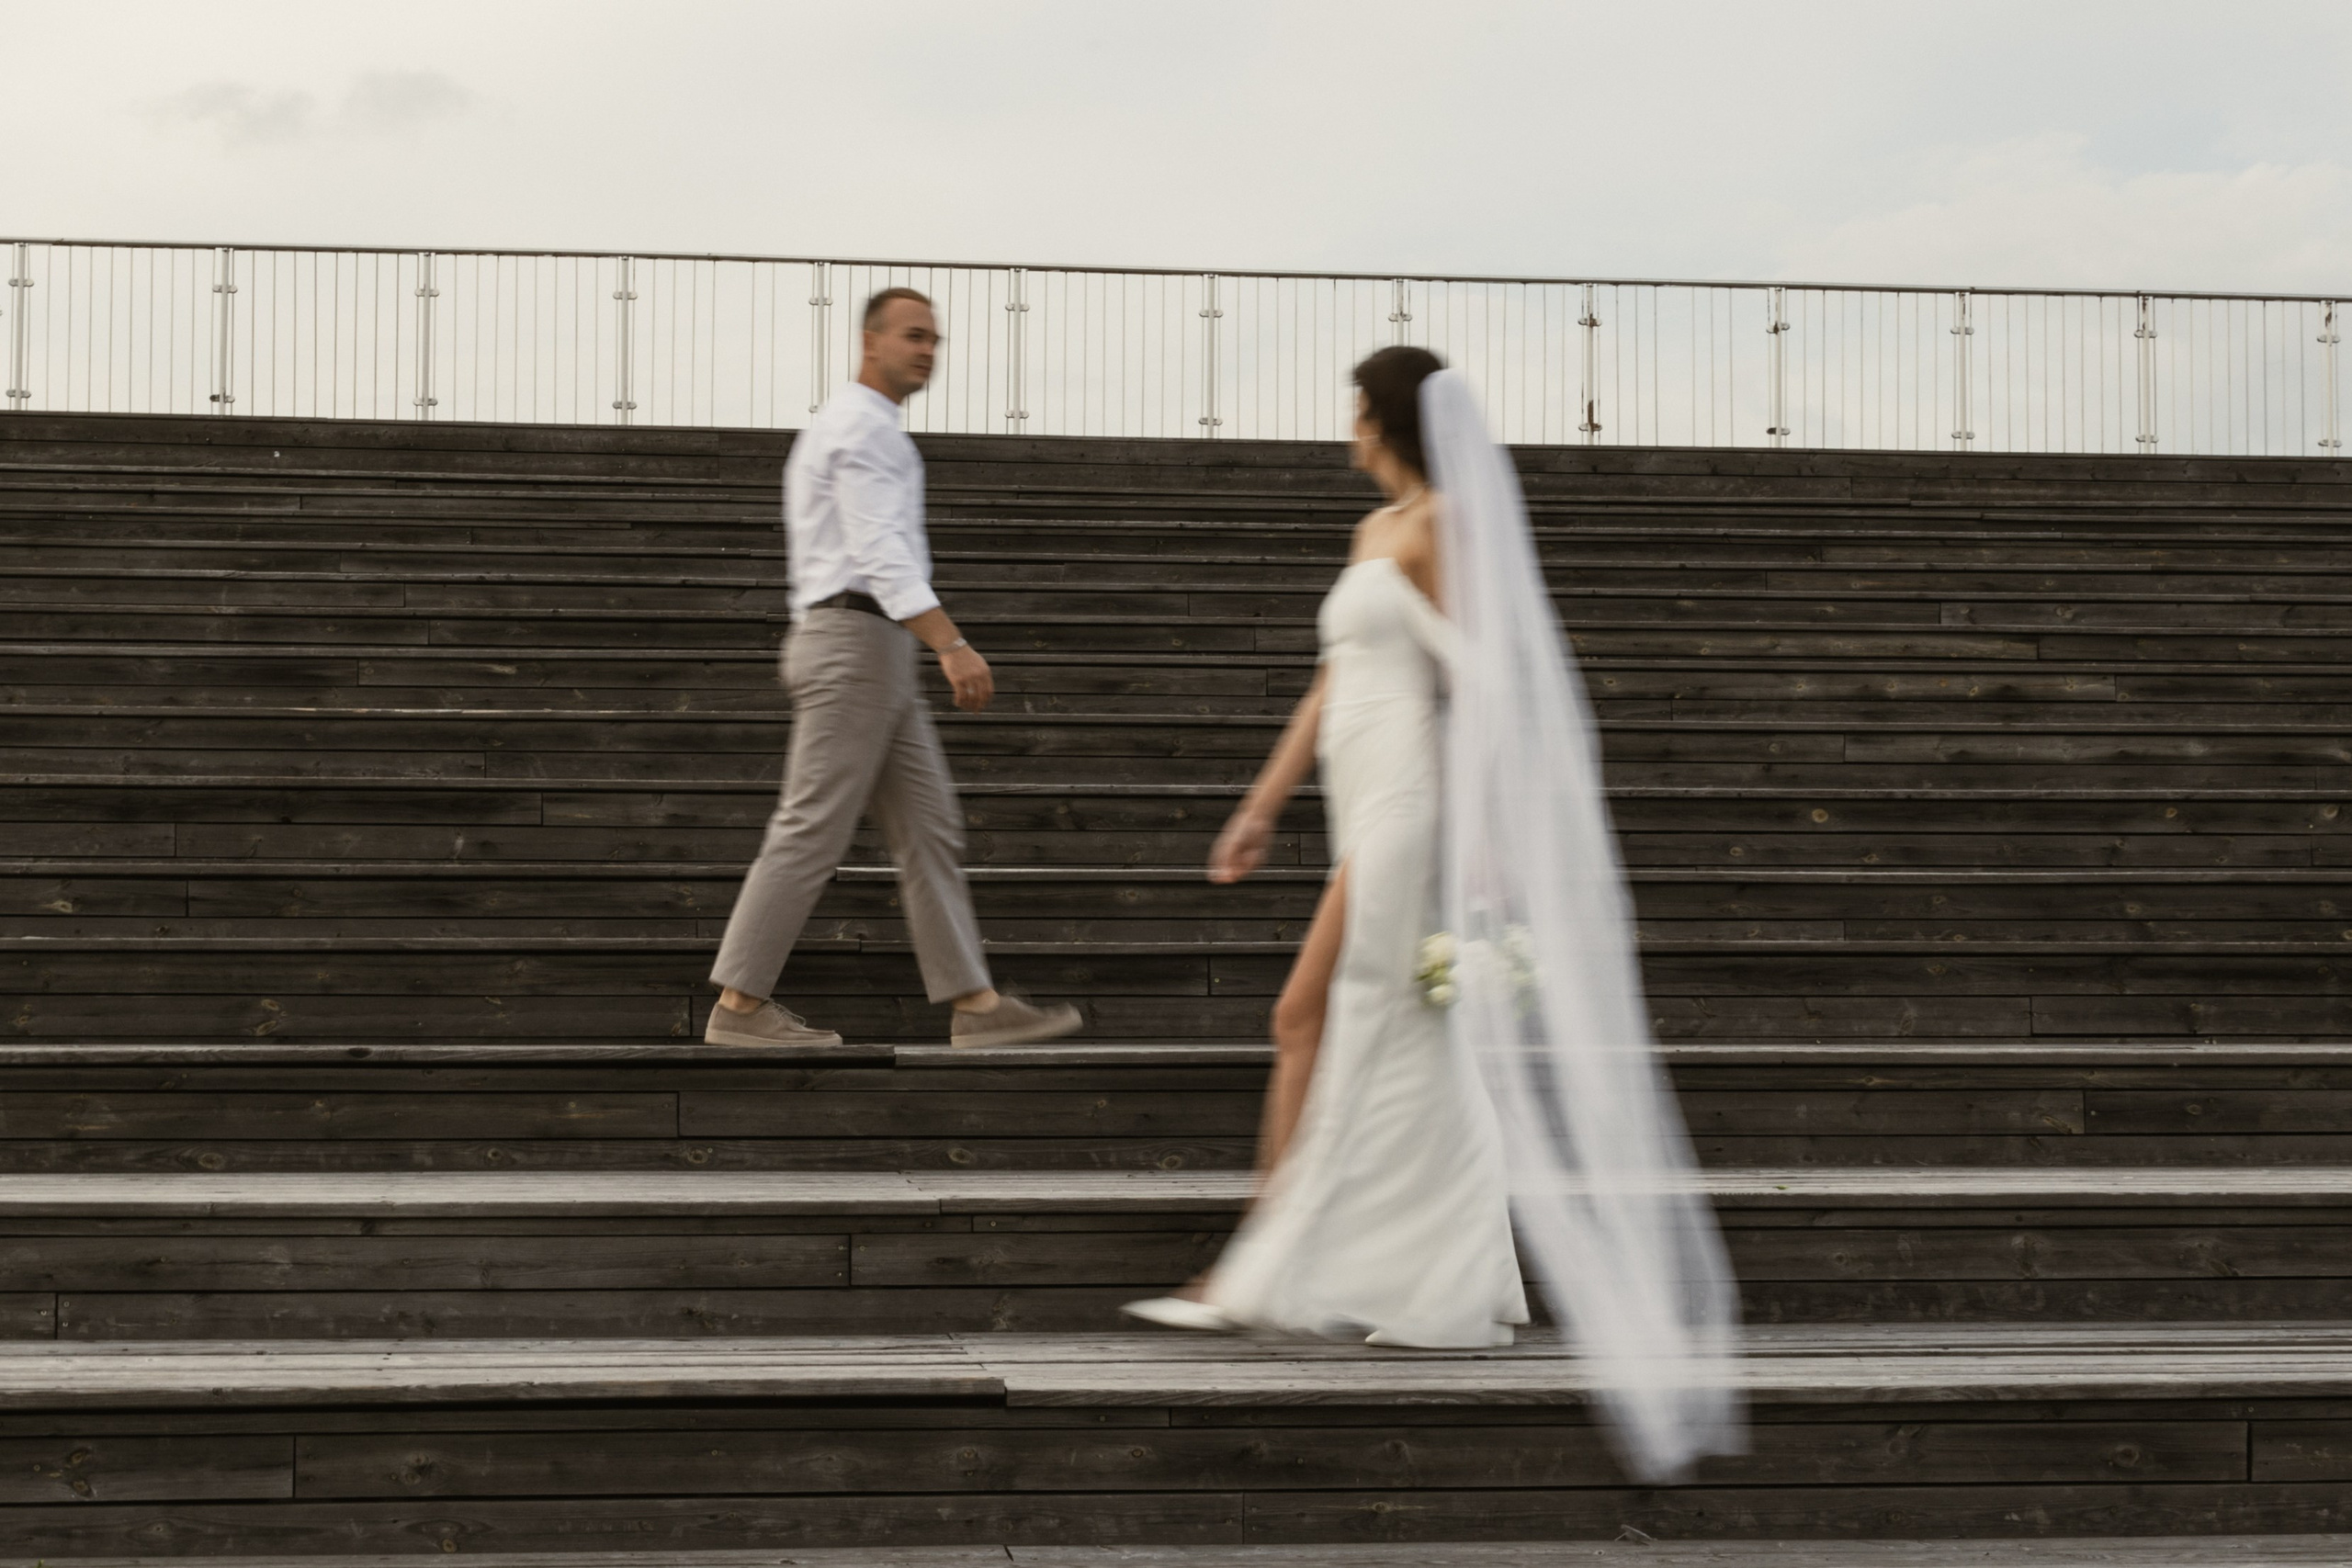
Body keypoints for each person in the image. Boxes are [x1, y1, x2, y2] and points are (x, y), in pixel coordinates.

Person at [1124, 350, 1743, 1485]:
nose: (1344, 425)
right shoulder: (1377, 529)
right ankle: (1425, 1276)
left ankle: (1259, 1266)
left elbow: (1495, 681)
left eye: (1355, 407)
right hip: (1359, 798)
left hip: (1411, 804)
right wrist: (1260, 806)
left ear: (1384, 415)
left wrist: (1492, 836)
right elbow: (1328, 685)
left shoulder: (1446, 521)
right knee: (1389, 1032)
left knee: (1303, 1014)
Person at [706, 288, 1080, 1052]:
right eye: (913, 336)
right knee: (811, 827)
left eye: (934, 339)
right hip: (855, 639)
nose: (927, 350)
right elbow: (878, 552)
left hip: (874, 647)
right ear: (870, 341)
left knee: (929, 826)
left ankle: (976, 1005)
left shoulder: (863, 428)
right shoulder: (860, 429)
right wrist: (951, 642)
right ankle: (739, 1007)